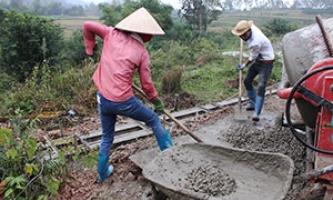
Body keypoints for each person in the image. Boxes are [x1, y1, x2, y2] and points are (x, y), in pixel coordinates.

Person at [83, 7, 174, 183]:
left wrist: (90, 47)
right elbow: (147, 85)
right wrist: (157, 101)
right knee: (154, 120)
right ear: (146, 34)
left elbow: (87, 25)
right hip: (123, 101)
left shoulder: (110, 33)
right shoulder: (141, 53)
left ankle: (102, 173)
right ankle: (169, 157)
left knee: (107, 136)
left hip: (103, 99)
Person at [231, 20, 275, 122]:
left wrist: (243, 65)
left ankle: (257, 113)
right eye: (240, 35)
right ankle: (252, 102)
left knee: (261, 86)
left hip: (266, 63)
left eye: (243, 35)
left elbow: (252, 57)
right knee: (247, 80)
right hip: (258, 60)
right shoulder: (250, 28)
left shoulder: (256, 41)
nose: (241, 38)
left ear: (249, 31)